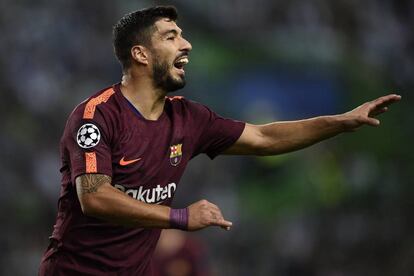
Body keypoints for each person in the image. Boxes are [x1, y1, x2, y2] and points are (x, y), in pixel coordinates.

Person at [38, 5, 401, 275]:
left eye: (182, 34)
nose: (187, 44)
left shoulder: (189, 118)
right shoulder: (96, 116)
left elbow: (263, 137)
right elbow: (95, 197)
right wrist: (180, 216)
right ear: (140, 54)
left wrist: (340, 122)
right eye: (171, 37)